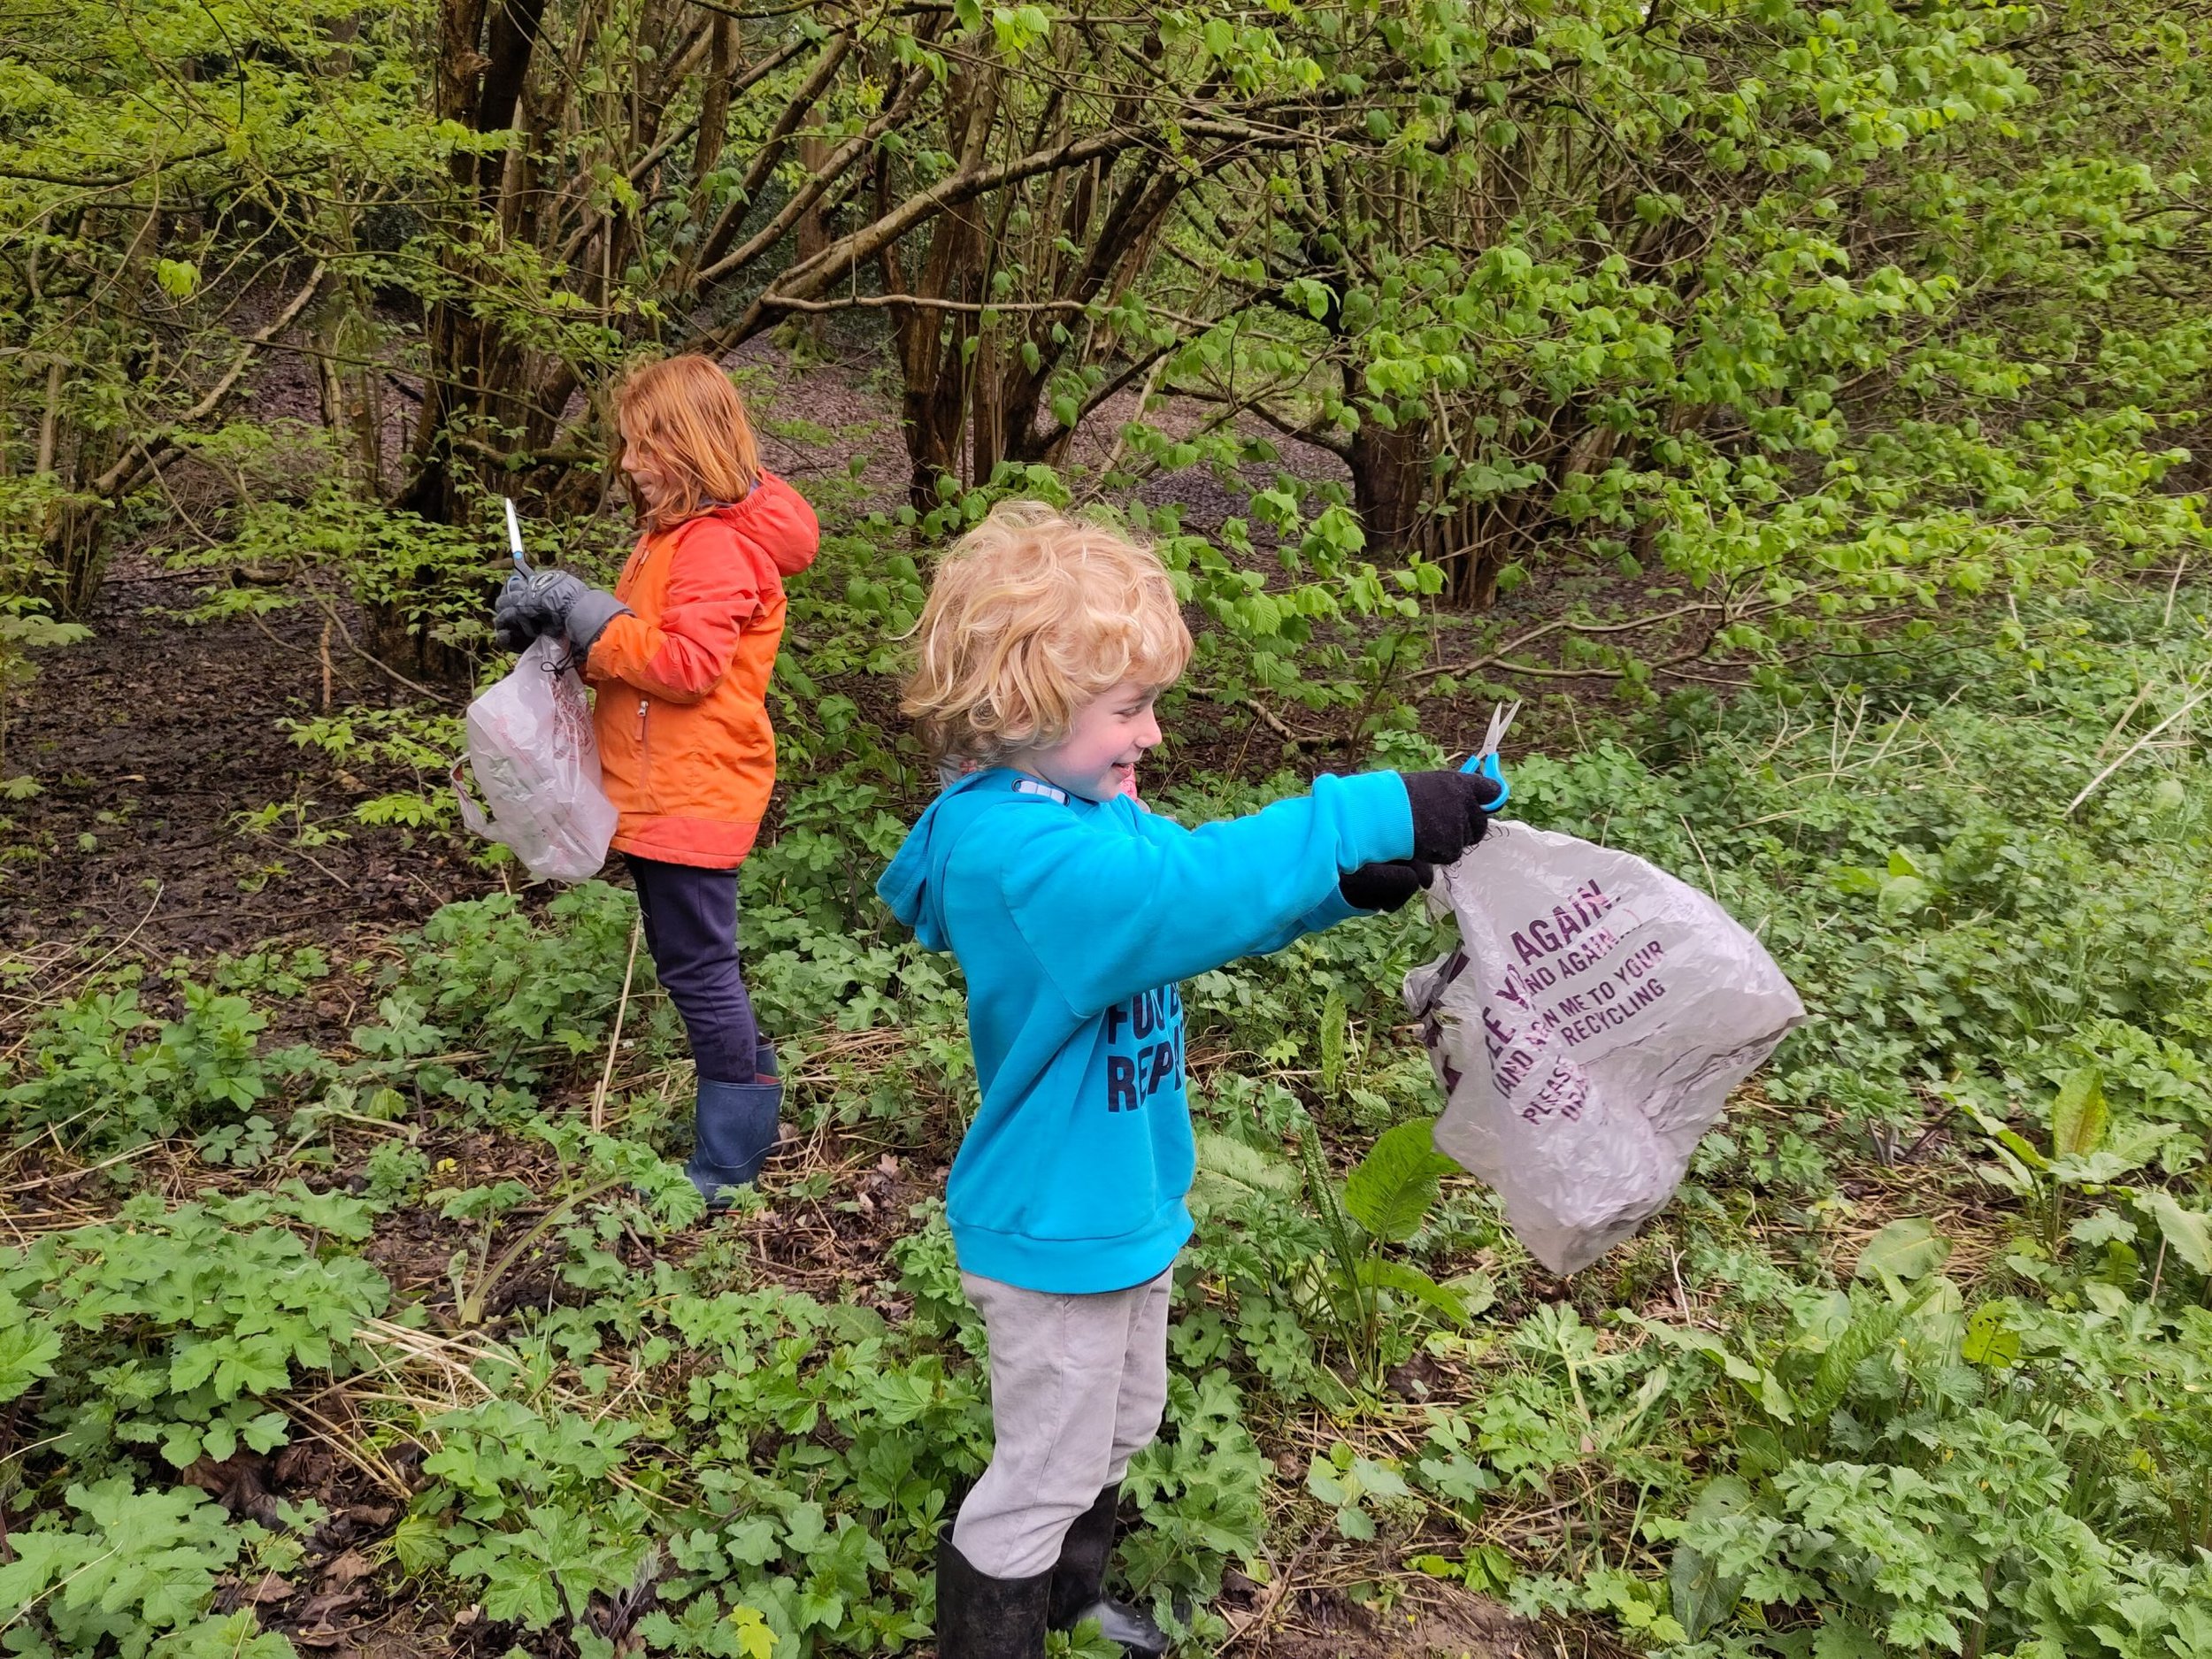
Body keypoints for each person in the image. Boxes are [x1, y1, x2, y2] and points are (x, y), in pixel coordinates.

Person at [874, 503, 1500, 1657]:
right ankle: (998, 1632)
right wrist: (1368, 804)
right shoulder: (1016, 856)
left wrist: (1342, 884)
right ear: (1024, 703)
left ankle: (1068, 1603)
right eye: (1129, 708)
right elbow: (1183, 897)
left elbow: (1191, 899)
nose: (1152, 734)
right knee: (1044, 1463)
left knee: (1119, 1422)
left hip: (1121, 1207)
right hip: (1055, 1224)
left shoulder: (1085, 808)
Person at [493, 355, 819, 1206]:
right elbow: (632, 661)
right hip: (663, 785)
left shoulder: (715, 545)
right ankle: (749, 1101)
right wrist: (558, 625)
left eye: (643, 443)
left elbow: (685, 666)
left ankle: (728, 1161)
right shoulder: (669, 537)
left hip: (693, 791)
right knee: (696, 962)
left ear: (685, 444)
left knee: (699, 968)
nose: (628, 461)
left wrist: (590, 613)